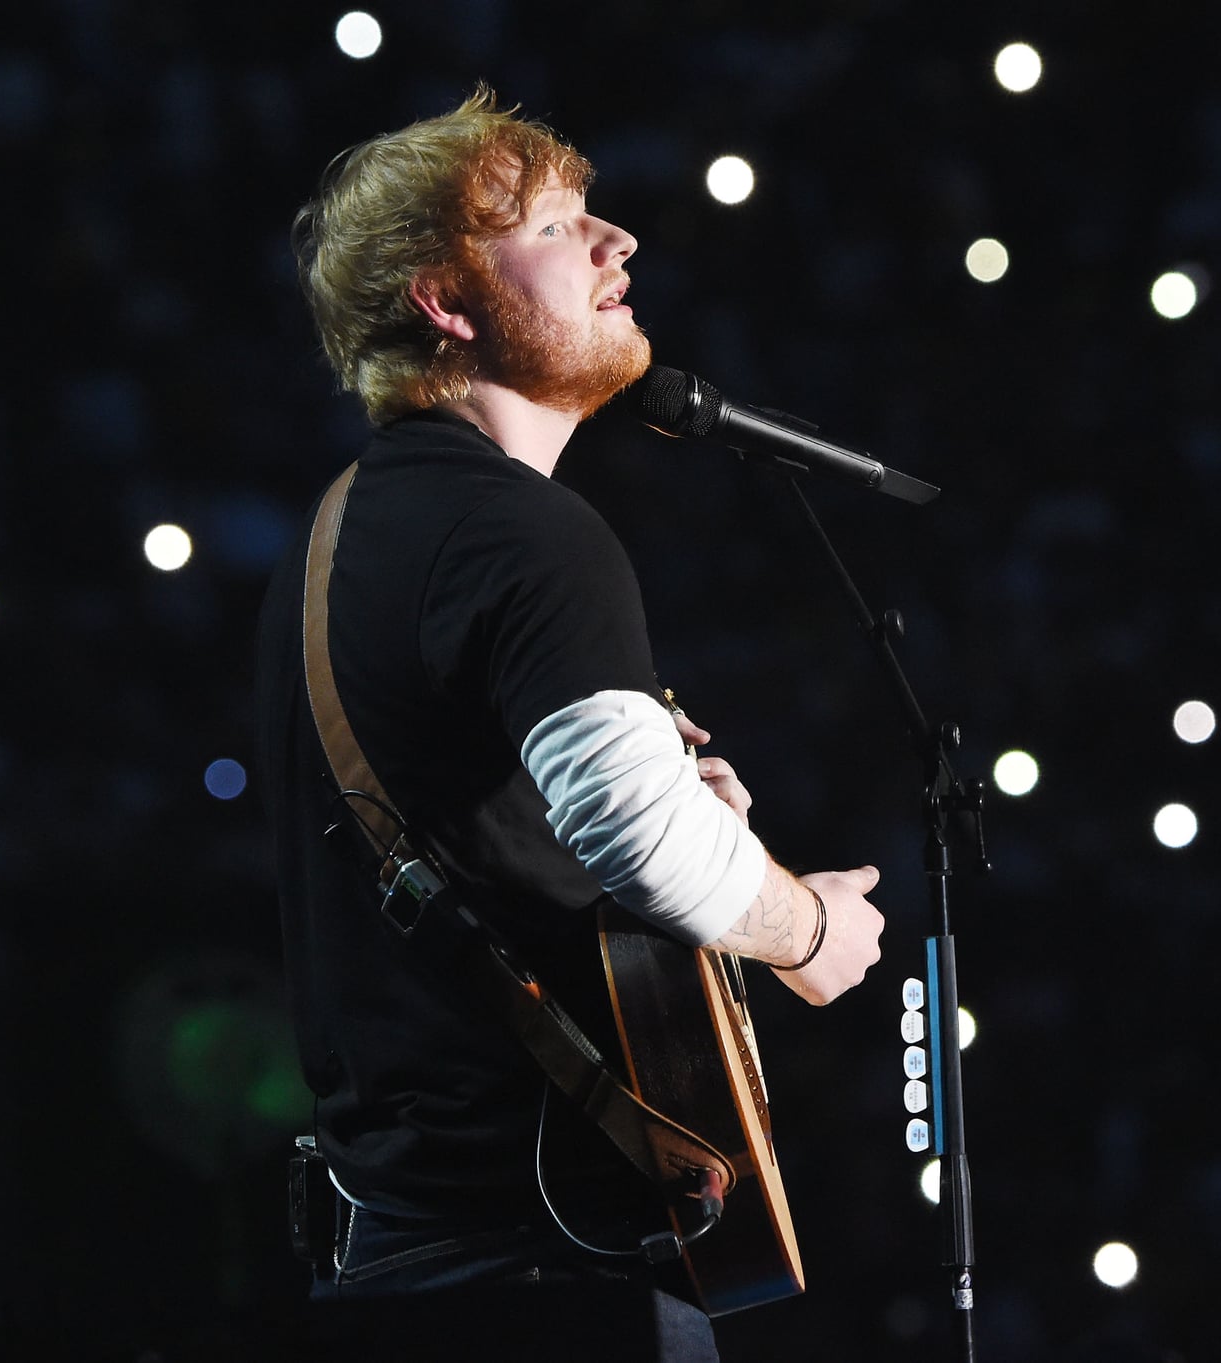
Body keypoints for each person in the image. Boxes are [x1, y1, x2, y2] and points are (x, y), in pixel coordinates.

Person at [253, 87, 886, 1359]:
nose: (618, 245)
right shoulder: (525, 533)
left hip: (389, 1257)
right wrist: (804, 926)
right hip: (548, 1268)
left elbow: (496, 830)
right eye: (557, 223)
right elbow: (636, 838)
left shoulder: (335, 542)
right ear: (445, 300)